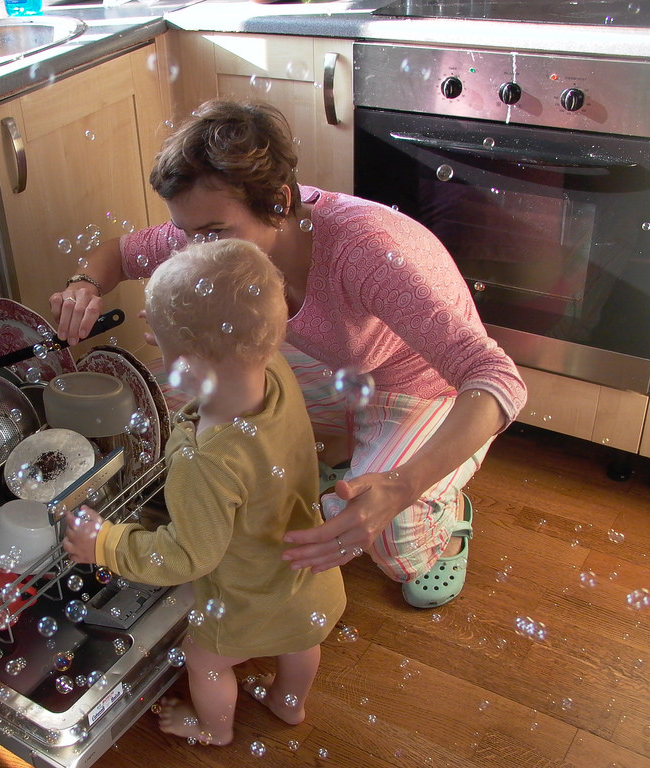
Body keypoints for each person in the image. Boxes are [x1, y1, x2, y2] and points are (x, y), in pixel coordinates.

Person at [51, 99, 527, 608]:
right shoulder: (202, 229)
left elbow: (497, 377)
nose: (193, 252)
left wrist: (400, 484)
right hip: (340, 372)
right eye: (185, 233)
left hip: (427, 389)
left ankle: (445, 516)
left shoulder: (368, 252)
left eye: (212, 233)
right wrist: (83, 284)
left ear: (278, 202)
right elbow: (119, 254)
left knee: (391, 538)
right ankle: (337, 455)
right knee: (160, 396)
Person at [62, 238, 346, 745]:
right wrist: (183, 337)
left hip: (245, 596)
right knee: (302, 641)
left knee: (205, 660)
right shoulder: (273, 369)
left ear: (190, 366)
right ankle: (289, 701)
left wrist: (104, 542)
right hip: (308, 581)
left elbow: (187, 556)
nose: (158, 350)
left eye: (161, 347)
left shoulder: (207, 462)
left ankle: (212, 730)